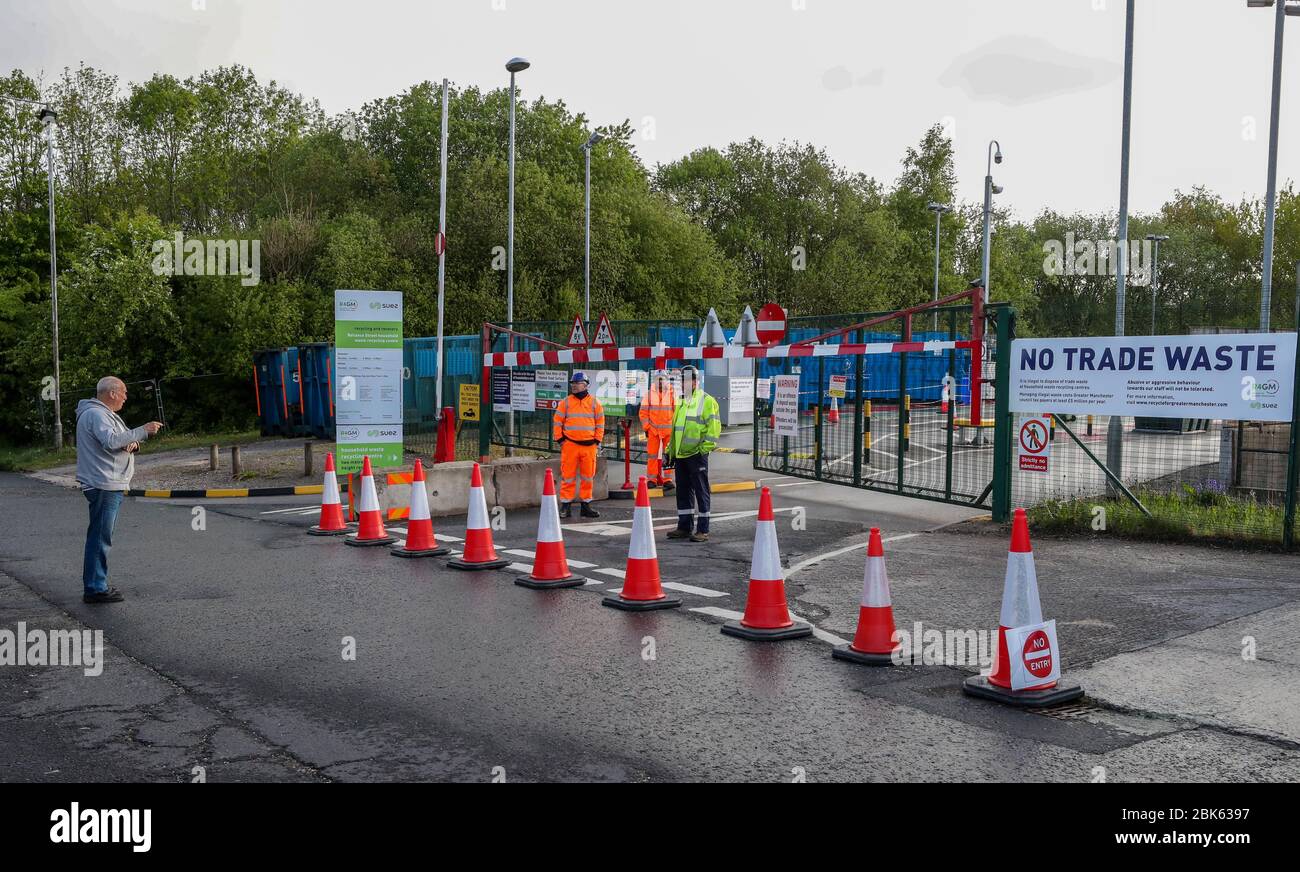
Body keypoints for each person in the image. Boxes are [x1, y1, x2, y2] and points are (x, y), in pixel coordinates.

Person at [74, 377, 164, 604]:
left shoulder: (101, 414)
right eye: (123, 392)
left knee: (100, 535)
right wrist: (143, 430)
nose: (126, 396)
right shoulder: (97, 414)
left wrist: (133, 441)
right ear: (112, 393)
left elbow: (121, 439)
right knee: (100, 537)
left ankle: (96, 584)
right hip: (104, 482)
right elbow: (112, 440)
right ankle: (95, 588)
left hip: (106, 482)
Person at [666, 365, 720, 542]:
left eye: (689, 380)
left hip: (697, 455)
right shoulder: (681, 401)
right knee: (683, 491)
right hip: (681, 456)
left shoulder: (706, 401)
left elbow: (713, 429)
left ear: (696, 381)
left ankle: (703, 530)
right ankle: (684, 527)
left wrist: (703, 449)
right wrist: (669, 451)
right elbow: (676, 430)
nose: (685, 383)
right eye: (683, 380)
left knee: (701, 491)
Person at [552, 370, 605, 519]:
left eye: (577, 383)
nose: (574, 386)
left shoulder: (595, 403)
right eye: (572, 383)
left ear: (586, 385)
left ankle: (586, 506)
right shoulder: (566, 402)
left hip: (589, 446)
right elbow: (557, 422)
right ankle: (565, 507)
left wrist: (597, 441)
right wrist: (561, 440)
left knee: (588, 477)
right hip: (570, 445)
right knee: (567, 477)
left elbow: (600, 423)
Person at [639, 370, 676, 491]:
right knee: (652, 456)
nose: (660, 382)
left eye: (662, 379)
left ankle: (668, 479)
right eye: (658, 379)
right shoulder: (649, 394)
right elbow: (643, 412)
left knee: (668, 456)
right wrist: (647, 428)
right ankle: (651, 479)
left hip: (669, 431)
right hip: (653, 430)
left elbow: (677, 411)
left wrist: (675, 428)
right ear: (654, 381)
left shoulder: (672, 394)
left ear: (667, 380)